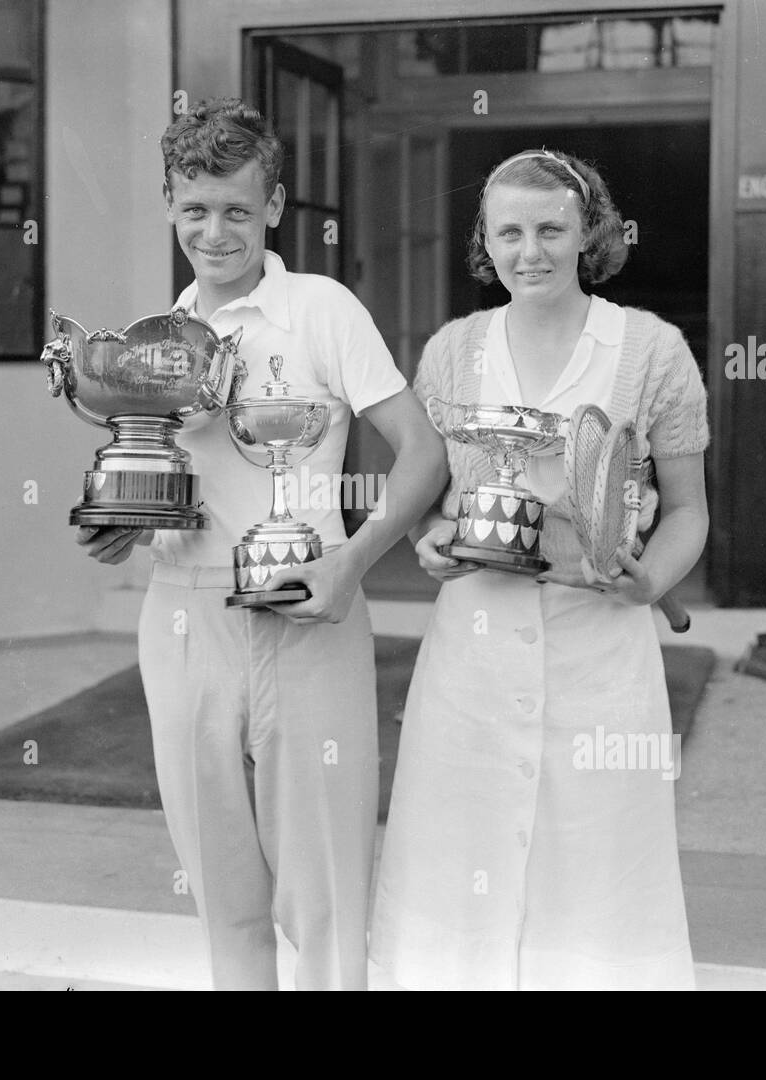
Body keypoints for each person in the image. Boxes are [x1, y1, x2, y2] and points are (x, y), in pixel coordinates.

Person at [75, 98, 446, 991]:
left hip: (306, 613)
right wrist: (125, 526)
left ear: (275, 208)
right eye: (195, 209)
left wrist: (352, 563)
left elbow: (424, 454)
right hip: (181, 620)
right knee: (222, 892)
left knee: (325, 897)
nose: (215, 230)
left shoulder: (322, 309)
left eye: (238, 210)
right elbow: (156, 482)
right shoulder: (155, 339)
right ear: (169, 203)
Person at [369, 149, 710, 990]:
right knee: (458, 873)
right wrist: (432, 546)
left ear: (588, 233)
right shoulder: (452, 351)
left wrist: (649, 579)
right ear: (484, 242)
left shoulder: (652, 351)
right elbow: (445, 506)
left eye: (552, 229)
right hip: (472, 660)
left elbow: (690, 511)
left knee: (599, 877)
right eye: (509, 232)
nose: (532, 252)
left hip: (601, 650)